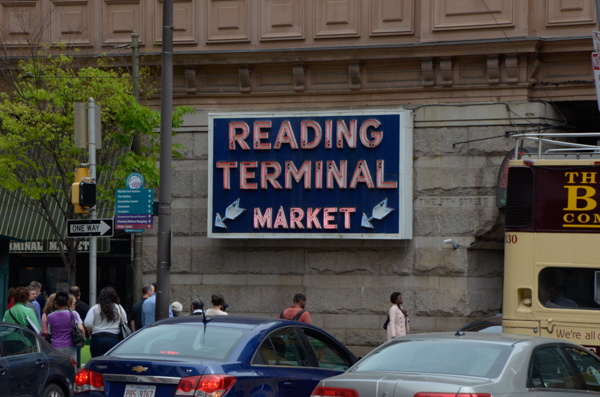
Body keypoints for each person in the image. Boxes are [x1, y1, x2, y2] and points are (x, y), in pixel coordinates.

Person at [84, 287, 127, 358]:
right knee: (112, 363)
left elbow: (87, 323)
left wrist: (90, 330)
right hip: (114, 338)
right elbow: (124, 321)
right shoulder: (119, 308)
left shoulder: (95, 308)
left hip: (97, 338)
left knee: (97, 364)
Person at [46, 290, 85, 362]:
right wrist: (83, 340)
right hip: (70, 346)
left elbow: (49, 332)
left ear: (56, 302)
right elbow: (81, 328)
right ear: (67, 302)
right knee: (72, 367)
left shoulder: (50, 316)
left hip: (55, 346)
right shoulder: (73, 314)